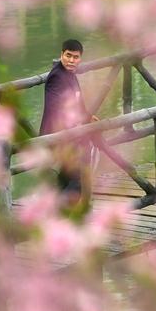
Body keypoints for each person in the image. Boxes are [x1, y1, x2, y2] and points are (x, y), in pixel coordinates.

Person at [40, 39, 98, 200]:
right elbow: (55, 108)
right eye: (68, 56)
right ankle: (59, 210)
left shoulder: (69, 74)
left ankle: (56, 211)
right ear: (61, 55)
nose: (71, 60)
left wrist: (87, 116)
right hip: (59, 135)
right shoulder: (57, 77)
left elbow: (76, 99)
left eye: (76, 57)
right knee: (78, 178)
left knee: (68, 178)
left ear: (80, 58)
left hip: (71, 135)